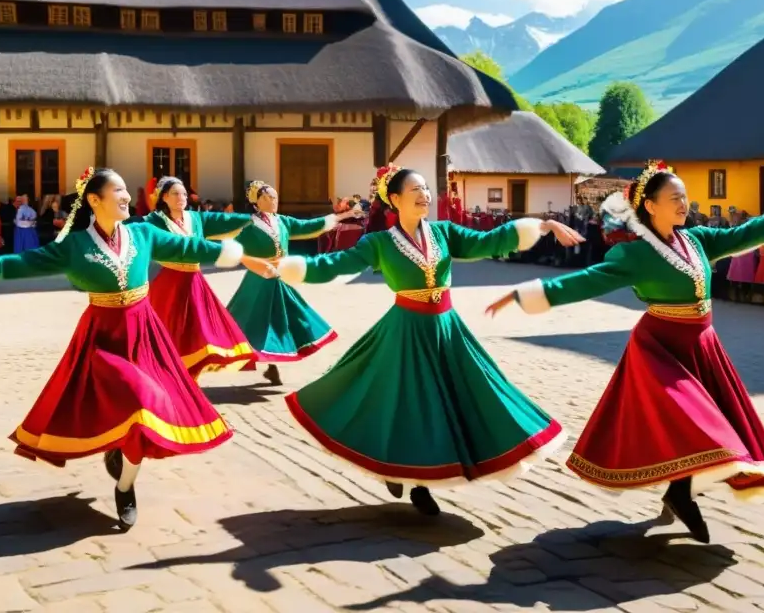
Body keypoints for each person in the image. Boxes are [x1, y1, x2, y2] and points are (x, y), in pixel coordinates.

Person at [0, 167, 276, 530]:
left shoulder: (143, 233)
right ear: (95, 200)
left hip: (145, 334)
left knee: (147, 409)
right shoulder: (76, 247)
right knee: (137, 398)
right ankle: (118, 452)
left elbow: (191, 246)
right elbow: (24, 262)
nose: (127, 196)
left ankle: (125, 486)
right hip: (103, 338)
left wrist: (245, 257)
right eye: (118, 190)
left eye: (126, 190)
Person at [486, 161, 764, 543]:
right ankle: (680, 492)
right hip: (661, 346)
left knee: (707, 420)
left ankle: (678, 491)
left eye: (685, 197)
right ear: (650, 206)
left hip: (702, 344)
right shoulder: (635, 255)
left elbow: (745, 234)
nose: (684, 204)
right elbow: (586, 282)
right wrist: (525, 294)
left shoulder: (696, 240)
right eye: (675, 198)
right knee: (690, 418)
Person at [275, 165, 581, 516]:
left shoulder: (444, 232)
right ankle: (407, 475)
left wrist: (542, 226)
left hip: (446, 330)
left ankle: (417, 475)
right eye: (415, 190)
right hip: (405, 331)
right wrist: (288, 268)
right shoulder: (379, 243)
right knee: (408, 403)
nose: (425, 195)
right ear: (394, 199)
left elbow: (489, 241)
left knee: (468, 394)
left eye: (426, 189)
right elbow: (336, 264)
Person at [226, 180, 362, 386]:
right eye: (267, 197)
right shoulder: (247, 225)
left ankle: (273, 364)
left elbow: (310, 225)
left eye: (275, 197)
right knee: (256, 322)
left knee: (285, 318)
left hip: (281, 276)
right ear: (255, 202)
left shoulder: (282, 221)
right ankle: (263, 362)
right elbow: (229, 244)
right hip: (259, 278)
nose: (273, 201)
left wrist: (344, 215)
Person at [136, 176, 256, 379]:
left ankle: (191, 380)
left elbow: (223, 220)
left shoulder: (196, 218)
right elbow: (133, 231)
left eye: (183, 193)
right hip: (170, 283)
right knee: (170, 333)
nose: (181, 197)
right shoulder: (153, 221)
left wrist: (254, 218)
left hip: (195, 282)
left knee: (200, 333)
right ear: (164, 197)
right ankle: (169, 377)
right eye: (175, 193)